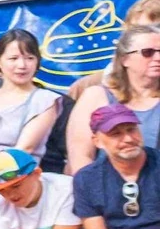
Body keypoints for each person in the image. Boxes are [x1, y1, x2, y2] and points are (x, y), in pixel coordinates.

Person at [61, 23, 159, 175]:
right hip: (104, 186)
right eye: (148, 52)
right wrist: (92, 188)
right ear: (125, 59)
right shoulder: (95, 96)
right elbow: (80, 156)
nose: (158, 58)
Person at [0, 29, 61, 163]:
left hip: (19, 173)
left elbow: (25, 149)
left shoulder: (45, 100)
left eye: (30, 58)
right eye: (13, 58)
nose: (22, 65)